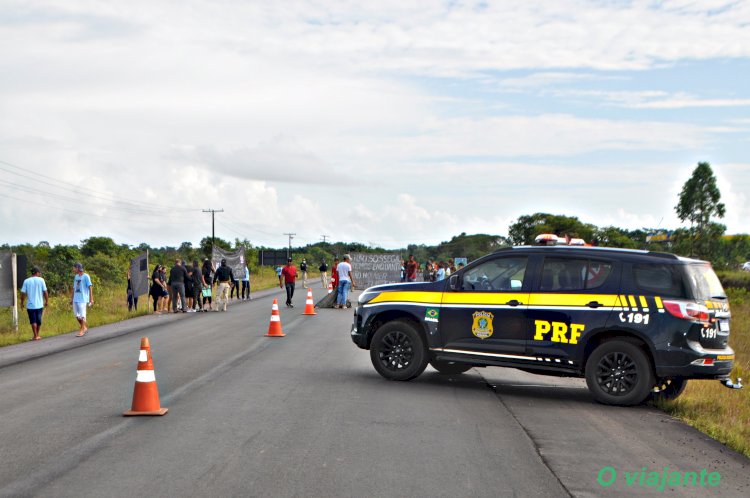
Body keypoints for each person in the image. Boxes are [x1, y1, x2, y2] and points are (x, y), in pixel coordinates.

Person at [20, 267, 48, 341]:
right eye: (39, 272)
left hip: (30, 305)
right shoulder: (41, 280)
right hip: (39, 304)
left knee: (33, 320)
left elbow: (23, 293)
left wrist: (22, 303)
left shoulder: (26, 281)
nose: (40, 274)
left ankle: (35, 335)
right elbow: (45, 292)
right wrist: (47, 301)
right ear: (37, 273)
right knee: (38, 320)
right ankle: (36, 335)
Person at [71, 262, 93, 337]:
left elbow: (90, 287)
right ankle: (84, 327)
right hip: (75, 298)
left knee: (82, 315)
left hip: (83, 298)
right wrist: (71, 299)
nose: (73, 269)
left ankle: (81, 330)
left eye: (74, 267)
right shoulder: (76, 276)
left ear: (77, 268)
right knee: (76, 315)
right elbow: (74, 288)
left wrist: (91, 299)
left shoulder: (86, 276)